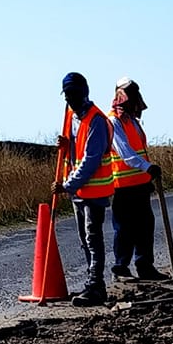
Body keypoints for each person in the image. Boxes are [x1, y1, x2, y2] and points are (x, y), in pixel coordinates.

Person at [54, 72, 116, 305]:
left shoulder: (96, 120)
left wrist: (67, 185)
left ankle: (96, 285)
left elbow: (91, 159)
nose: (70, 99)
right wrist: (67, 144)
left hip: (94, 191)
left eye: (74, 94)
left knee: (93, 237)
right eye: (67, 95)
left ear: (85, 92)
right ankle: (93, 281)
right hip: (79, 193)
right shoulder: (72, 117)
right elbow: (76, 152)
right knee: (84, 238)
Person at [107, 78, 164, 280]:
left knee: (145, 225)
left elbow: (140, 150)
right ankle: (121, 267)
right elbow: (126, 153)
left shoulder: (133, 122)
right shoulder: (113, 121)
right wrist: (147, 167)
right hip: (122, 186)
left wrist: (148, 173)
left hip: (140, 184)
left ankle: (144, 266)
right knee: (124, 228)